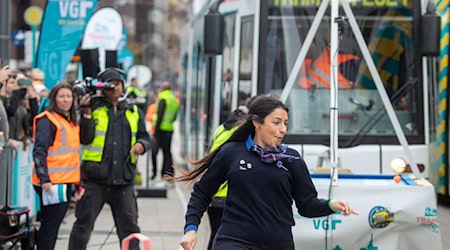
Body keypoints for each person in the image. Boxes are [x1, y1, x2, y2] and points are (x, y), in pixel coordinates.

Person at [176, 95, 358, 250]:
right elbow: (202, 193)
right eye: (276, 122)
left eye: (286, 123)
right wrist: (191, 229)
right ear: (256, 122)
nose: (283, 129)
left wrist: (331, 205)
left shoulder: (291, 159)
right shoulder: (232, 152)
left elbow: (307, 205)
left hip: (278, 243)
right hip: (234, 241)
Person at [68, 67, 151, 250]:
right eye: (110, 84)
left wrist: (142, 146)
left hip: (123, 179)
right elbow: (85, 138)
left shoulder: (134, 111)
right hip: (94, 179)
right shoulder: (93, 107)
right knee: (83, 225)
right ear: (102, 87)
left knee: (130, 228)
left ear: (123, 86)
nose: (115, 88)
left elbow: (145, 137)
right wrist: (87, 112)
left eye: (118, 84)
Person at [32, 82, 82, 250]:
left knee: (51, 224)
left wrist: (77, 183)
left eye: (69, 96)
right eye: (61, 96)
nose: (65, 100)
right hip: (52, 183)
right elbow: (39, 151)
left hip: (63, 181)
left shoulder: (69, 121)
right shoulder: (48, 120)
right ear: (54, 99)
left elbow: (72, 156)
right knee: (50, 226)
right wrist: (44, 179)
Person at [206, 105, 248, 250]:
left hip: (213, 194)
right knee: (224, 238)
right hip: (227, 195)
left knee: (215, 235)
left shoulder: (220, 129)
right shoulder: (241, 134)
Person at [152, 81, 179, 179]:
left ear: (163, 88)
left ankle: (155, 172)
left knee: (154, 151)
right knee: (167, 152)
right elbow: (175, 116)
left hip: (161, 130)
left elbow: (160, 116)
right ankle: (167, 173)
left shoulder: (163, 98)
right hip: (169, 129)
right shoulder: (174, 99)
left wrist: (155, 133)